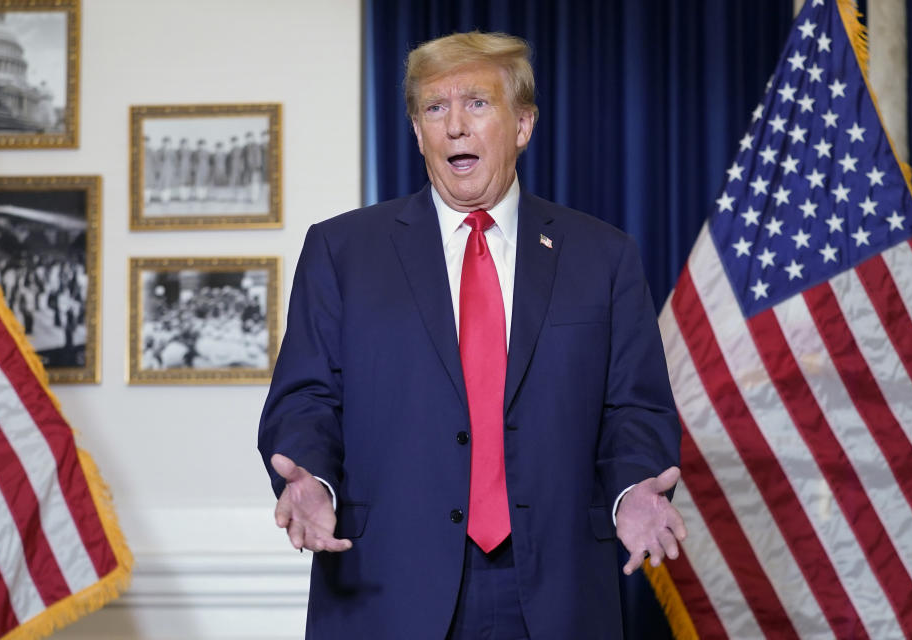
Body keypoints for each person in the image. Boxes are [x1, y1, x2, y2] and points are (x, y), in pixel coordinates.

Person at [258, 31, 684, 640]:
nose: (455, 125)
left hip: (555, 590)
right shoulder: (342, 250)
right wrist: (311, 479)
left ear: (523, 125)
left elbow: (635, 407)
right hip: (387, 581)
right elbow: (304, 398)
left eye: (477, 104)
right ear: (417, 130)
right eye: (435, 108)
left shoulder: (602, 255)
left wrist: (633, 488)